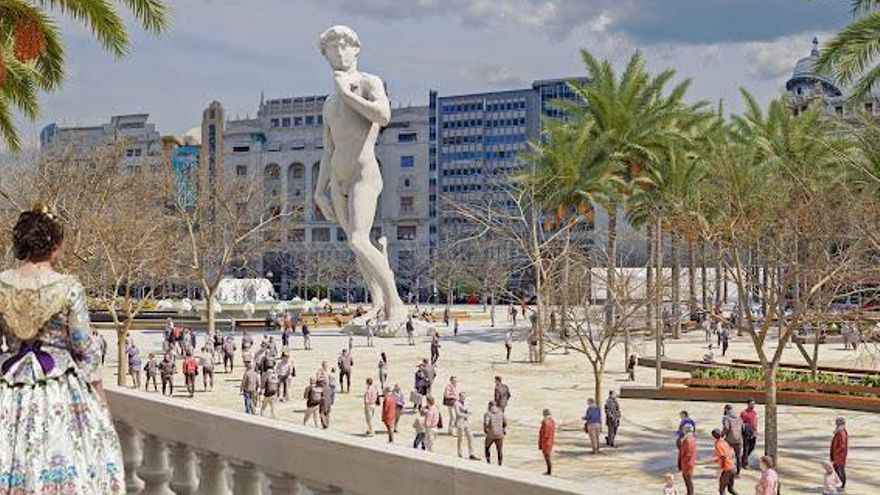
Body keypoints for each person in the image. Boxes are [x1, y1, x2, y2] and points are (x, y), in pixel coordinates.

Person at [0, 206, 124, 493]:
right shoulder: (68, 287)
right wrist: (100, 402)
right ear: (54, 246)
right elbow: (84, 349)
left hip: (9, 387)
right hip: (58, 388)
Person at [712, 428, 739, 495]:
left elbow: (723, 456)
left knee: (722, 490)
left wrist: (720, 468)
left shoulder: (718, 444)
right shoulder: (725, 442)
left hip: (727, 468)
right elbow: (729, 453)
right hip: (732, 467)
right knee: (730, 489)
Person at [454, 392, 479, 460]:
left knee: (470, 437)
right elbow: (458, 413)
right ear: (459, 397)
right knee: (460, 439)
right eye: (462, 396)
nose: (463, 398)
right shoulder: (456, 403)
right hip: (460, 422)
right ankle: (460, 453)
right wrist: (466, 414)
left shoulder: (465, 402)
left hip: (466, 422)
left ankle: (471, 453)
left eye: (464, 396)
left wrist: (468, 411)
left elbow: (469, 409)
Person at [722, 404, 744, 475]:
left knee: (726, 455)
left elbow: (726, 427)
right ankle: (738, 471)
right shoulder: (738, 417)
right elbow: (743, 427)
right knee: (738, 456)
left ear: (726, 409)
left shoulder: (726, 418)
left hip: (729, 439)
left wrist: (722, 435)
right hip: (739, 439)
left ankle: (727, 469)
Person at [484, 400, 507, 465]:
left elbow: (486, 423)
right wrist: (503, 429)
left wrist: (485, 430)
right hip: (500, 434)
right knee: (499, 450)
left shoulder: (488, 414)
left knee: (487, 447)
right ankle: (500, 463)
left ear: (489, 406)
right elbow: (505, 422)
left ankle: (488, 462)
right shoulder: (501, 413)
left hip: (491, 434)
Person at [678, 423, 697, 495]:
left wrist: (681, 463)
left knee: (688, 480)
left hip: (687, 463)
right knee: (687, 480)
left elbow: (686, 453)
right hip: (689, 462)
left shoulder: (687, 440)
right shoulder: (692, 439)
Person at [830, 416, 848, 491]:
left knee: (840, 469)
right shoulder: (840, 431)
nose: (836, 425)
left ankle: (842, 484)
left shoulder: (841, 432)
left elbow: (842, 445)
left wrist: (836, 454)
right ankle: (840, 483)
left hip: (839, 456)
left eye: (837, 423)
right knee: (837, 469)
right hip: (837, 455)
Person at [740, 399, 758, 469]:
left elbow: (755, 422)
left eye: (754, 404)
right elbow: (740, 422)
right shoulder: (743, 413)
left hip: (753, 432)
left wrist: (755, 431)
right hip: (746, 433)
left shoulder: (754, 412)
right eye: (751, 404)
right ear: (748, 404)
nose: (753, 405)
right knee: (746, 448)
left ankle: (744, 457)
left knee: (752, 447)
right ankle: (745, 463)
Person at [538, 408, 556, 475]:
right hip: (550, 440)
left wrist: (540, 443)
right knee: (548, 456)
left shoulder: (545, 422)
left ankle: (549, 471)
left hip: (545, 442)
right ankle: (549, 470)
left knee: (547, 457)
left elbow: (544, 434)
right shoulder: (552, 421)